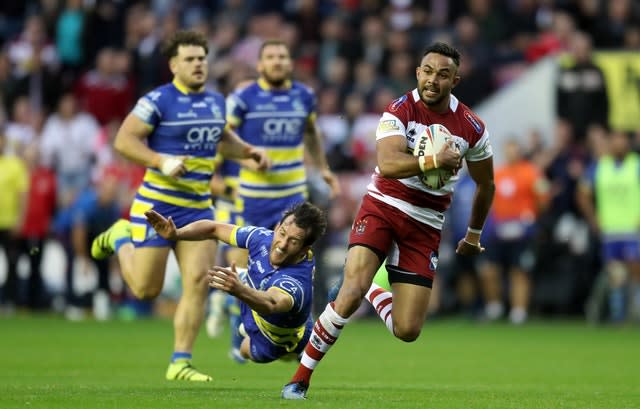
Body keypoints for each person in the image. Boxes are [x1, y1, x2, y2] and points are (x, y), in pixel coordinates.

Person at [281, 42, 495, 400]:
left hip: (426, 223)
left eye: (443, 74)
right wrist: (433, 161)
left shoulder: (471, 126)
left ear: (455, 80)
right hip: (382, 206)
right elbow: (390, 163)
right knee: (348, 294)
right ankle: (300, 379)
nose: (433, 80)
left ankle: (373, 288)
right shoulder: (399, 110)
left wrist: (473, 234)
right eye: (427, 71)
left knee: (407, 330)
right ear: (417, 73)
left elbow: (486, 183)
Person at [90, 30, 270, 381]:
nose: (198, 64)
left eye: (202, 58)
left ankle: (180, 362)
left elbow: (222, 138)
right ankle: (121, 236)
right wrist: (160, 160)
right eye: (190, 59)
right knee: (146, 289)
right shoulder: (157, 100)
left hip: (199, 207)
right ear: (174, 65)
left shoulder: (217, 102)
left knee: (200, 281)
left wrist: (248, 151)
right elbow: (124, 140)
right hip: (156, 206)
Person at [145, 201, 327, 363]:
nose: (282, 244)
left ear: (304, 250)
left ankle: (232, 298)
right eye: (282, 233)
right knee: (244, 285)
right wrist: (177, 234)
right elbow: (213, 228)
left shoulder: (294, 282)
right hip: (254, 289)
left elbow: (271, 303)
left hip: (273, 336)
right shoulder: (262, 237)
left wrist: (238, 291)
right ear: (278, 226)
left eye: (293, 241)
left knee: (245, 351)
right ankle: (235, 291)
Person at [226, 39, 340, 230]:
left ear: (290, 63)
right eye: (270, 57)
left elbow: (311, 134)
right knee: (248, 257)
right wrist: (247, 159)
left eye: (282, 57)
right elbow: (221, 141)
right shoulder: (242, 98)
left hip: (293, 195)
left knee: (292, 256)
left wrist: (323, 169)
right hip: (254, 197)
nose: (277, 62)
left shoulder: (305, 96)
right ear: (259, 65)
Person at [478, 139, 549, 324]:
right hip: (499, 230)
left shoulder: (532, 172)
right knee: (488, 269)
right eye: (508, 150)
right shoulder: (497, 173)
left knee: (520, 271)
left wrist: (532, 216)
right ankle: (494, 308)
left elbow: (544, 197)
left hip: (523, 231)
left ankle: (519, 312)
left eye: (514, 150)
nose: (511, 154)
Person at [577, 130, 640, 323]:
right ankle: (618, 316)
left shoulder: (636, 164)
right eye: (615, 141)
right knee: (615, 275)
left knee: (635, 272)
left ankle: (636, 312)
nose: (618, 145)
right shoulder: (599, 166)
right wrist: (594, 219)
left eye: (622, 141)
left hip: (633, 229)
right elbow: (582, 194)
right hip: (610, 230)